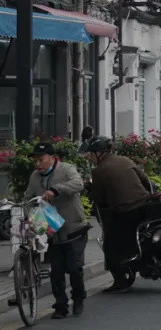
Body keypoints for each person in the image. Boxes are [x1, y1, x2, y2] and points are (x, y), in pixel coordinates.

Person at [25, 142, 89, 319]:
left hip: (74, 227)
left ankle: (78, 297)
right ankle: (60, 305)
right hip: (52, 232)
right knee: (57, 271)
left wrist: (56, 190)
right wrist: (28, 214)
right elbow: (28, 198)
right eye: (35, 161)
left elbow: (78, 184)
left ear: (52, 158)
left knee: (75, 267)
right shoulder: (34, 177)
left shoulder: (67, 169)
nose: (37, 164)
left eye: (41, 159)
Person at [85, 136, 153, 293]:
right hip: (145, 207)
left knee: (110, 244)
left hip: (124, 212)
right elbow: (145, 181)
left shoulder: (99, 171)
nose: (90, 157)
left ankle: (120, 280)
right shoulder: (125, 160)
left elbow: (97, 198)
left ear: (99, 153)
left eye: (91, 154)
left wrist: (89, 187)